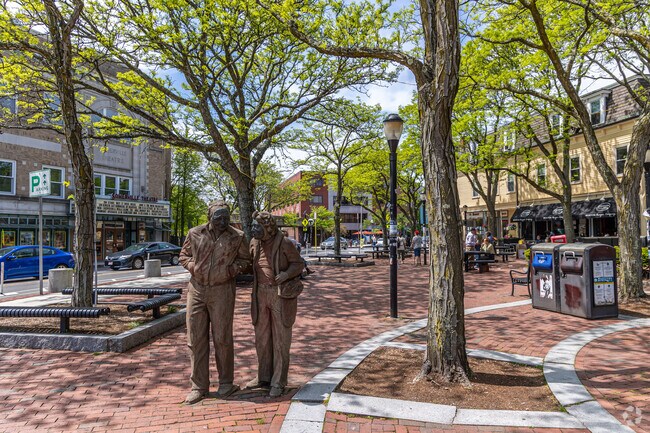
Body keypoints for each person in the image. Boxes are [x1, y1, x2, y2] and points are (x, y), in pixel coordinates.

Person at [179, 200, 251, 405]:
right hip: (197, 290)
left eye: (226, 218)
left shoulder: (237, 237)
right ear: (209, 217)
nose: (222, 221)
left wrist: (231, 270)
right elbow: (183, 255)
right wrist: (193, 267)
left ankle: (226, 383)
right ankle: (199, 386)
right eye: (218, 217)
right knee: (195, 338)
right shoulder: (195, 233)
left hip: (223, 291)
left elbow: (246, 261)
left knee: (222, 338)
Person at [247, 211, 304, 398]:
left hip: (279, 294)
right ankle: (263, 377)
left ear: (268, 228)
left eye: (257, 226)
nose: (253, 229)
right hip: (260, 294)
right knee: (261, 338)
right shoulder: (254, 243)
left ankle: (279, 380)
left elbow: (299, 264)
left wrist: (286, 274)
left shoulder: (285, 243)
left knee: (281, 339)